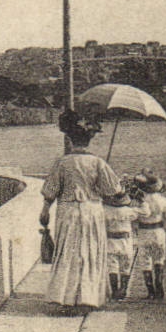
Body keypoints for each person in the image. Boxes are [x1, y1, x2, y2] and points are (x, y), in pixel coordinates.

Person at [41, 110, 123, 314]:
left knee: (68, 252)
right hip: (91, 211)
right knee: (89, 251)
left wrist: (44, 211)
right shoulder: (98, 163)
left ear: (70, 139)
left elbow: (50, 192)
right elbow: (113, 192)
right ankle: (88, 297)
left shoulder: (62, 162)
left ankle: (64, 297)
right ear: (89, 140)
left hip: (67, 211)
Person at [134, 173, 166, 299]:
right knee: (159, 258)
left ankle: (150, 290)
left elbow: (134, 219)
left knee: (145, 261)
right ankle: (159, 283)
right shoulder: (164, 201)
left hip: (144, 231)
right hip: (158, 231)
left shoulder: (139, 201)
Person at [102, 190, 138, 300]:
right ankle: (123, 289)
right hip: (125, 241)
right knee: (125, 266)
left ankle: (114, 290)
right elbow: (145, 213)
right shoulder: (129, 211)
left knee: (112, 266)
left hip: (110, 240)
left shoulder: (105, 210)